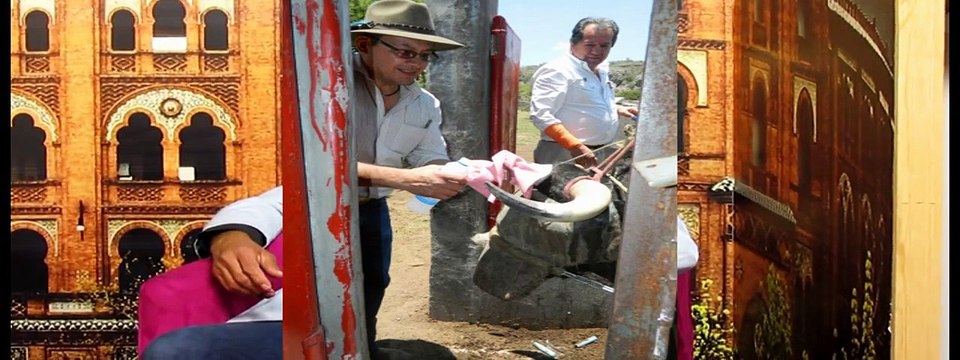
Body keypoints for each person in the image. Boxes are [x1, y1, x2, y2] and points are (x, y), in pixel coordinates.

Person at [145, 0, 468, 358]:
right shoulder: (326, 89)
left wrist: (446, 171)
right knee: (311, 301)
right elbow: (317, 167)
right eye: (407, 52)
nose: (417, 64)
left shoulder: (424, 104)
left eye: (426, 56)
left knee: (369, 293)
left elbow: (428, 156)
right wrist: (407, 179)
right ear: (365, 45)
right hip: (321, 209)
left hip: (374, 212)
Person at [529, 17, 639, 167]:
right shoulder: (558, 70)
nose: (597, 51)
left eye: (604, 45)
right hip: (565, 153)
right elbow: (541, 115)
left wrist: (618, 109)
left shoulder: (601, 70)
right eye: (590, 45)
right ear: (573, 43)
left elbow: (587, 102)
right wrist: (574, 145)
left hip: (599, 152)